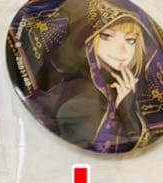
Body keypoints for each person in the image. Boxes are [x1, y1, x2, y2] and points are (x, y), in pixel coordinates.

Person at [28, 0, 152, 153]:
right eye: (107, 36)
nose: (122, 51)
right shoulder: (81, 91)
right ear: (89, 37)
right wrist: (126, 112)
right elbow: (98, 149)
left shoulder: (122, 88)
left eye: (130, 40)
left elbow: (138, 146)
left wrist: (126, 108)